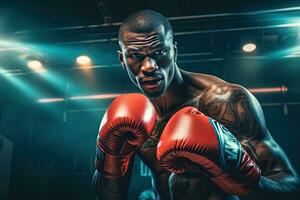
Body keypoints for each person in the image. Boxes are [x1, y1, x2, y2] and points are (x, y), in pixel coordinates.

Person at [92, 10, 300, 200]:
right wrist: (110, 160)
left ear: (174, 51)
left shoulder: (225, 101)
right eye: (136, 56)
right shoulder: (133, 116)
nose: (149, 66)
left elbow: (291, 187)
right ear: (122, 59)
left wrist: (245, 178)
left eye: (160, 52)